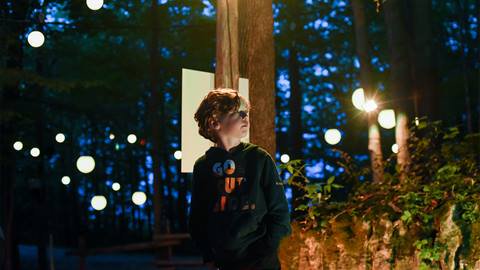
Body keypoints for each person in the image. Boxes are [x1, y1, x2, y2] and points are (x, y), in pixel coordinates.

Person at [188, 88, 292, 270]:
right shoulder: (203, 166)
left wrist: (265, 252)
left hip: (260, 263)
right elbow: (198, 217)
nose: (246, 117)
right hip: (223, 263)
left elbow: (280, 213)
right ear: (214, 122)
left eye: (247, 113)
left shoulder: (259, 159)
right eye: (238, 113)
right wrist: (208, 256)